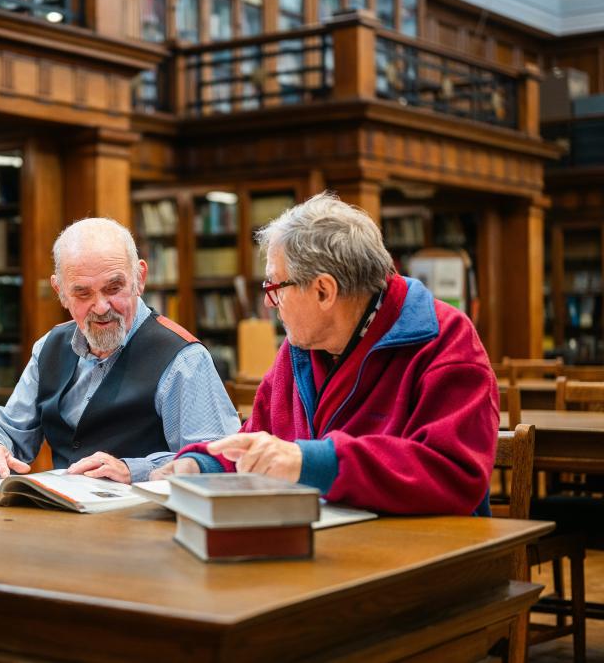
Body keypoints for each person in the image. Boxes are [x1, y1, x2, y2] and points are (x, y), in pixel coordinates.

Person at [153, 192, 497, 515]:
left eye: (274, 287)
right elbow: (259, 443)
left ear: (323, 291)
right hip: (323, 545)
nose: (267, 302)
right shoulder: (300, 347)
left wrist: (313, 463)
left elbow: (454, 474)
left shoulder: (444, 340)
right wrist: (201, 465)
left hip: (426, 557)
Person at [0, 217, 240, 484]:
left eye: (113, 287)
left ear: (140, 278)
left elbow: (218, 458)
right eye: (83, 293)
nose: (101, 307)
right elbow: (9, 427)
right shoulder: (49, 347)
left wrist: (135, 470)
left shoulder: (183, 359)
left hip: (144, 521)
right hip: (65, 520)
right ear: (60, 292)